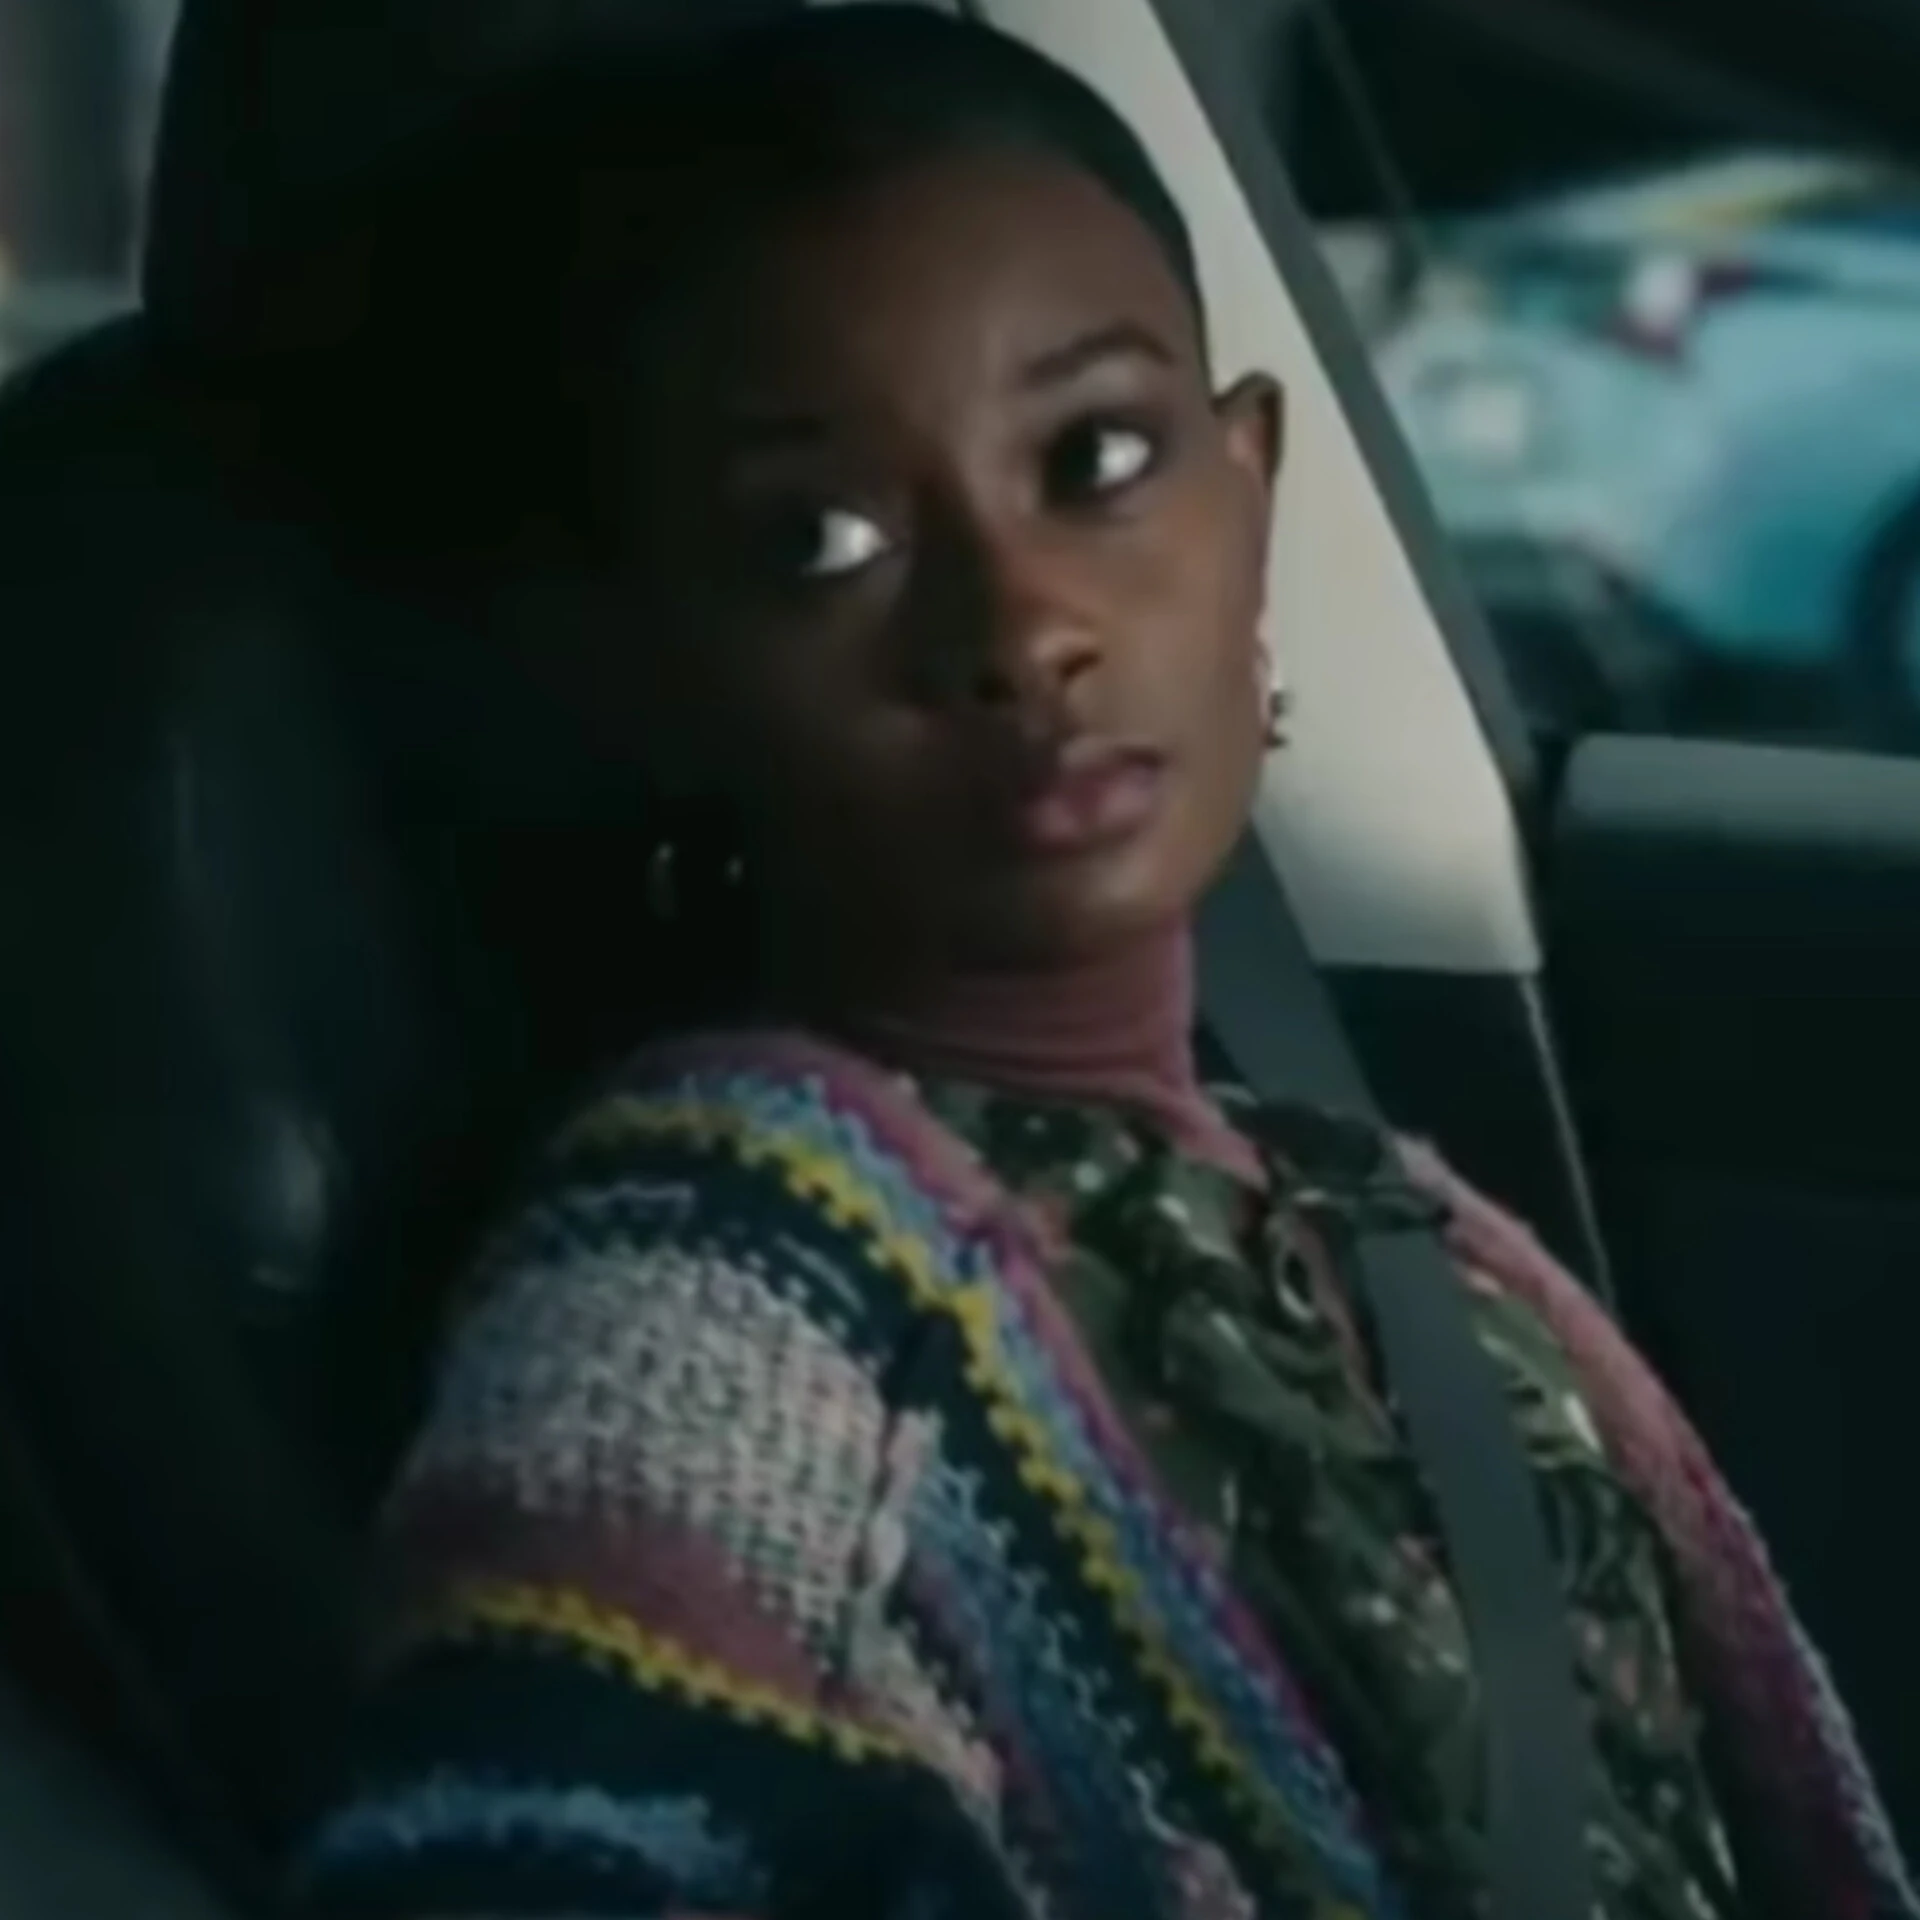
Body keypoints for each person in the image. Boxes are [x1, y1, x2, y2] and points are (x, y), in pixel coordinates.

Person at [287, 11, 1912, 1919]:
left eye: (1100, 457)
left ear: (1253, 487)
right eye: (820, 539)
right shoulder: (724, 1295)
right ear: (638, 670)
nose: (1022, 621)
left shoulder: (1374, 1219)